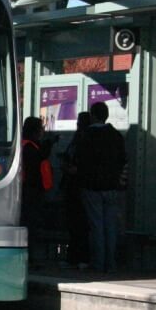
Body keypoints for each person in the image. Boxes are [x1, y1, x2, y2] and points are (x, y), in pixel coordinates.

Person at [75, 101, 126, 273]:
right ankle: (110, 263)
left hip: (91, 186)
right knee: (110, 226)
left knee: (96, 226)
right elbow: (122, 160)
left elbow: (79, 161)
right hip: (111, 186)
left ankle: (98, 263)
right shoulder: (116, 135)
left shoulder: (86, 136)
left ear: (93, 115)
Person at [21, 116, 54, 265]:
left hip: (31, 191)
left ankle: (31, 257)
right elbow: (37, 161)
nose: (42, 132)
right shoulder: (29, 147)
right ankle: (31, 258)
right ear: (34, 131)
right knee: (31, 225)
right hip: (31, 192)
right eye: (41, 129)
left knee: (31, 224)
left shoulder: (30, 145)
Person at [60, 112, 91, 268]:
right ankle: (76, 257)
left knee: (79, 224)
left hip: (79, 185)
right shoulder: (79, 140)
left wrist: (73, 169)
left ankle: (80, 257)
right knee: (76, 223)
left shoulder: (83, 140)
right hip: (74, 186)